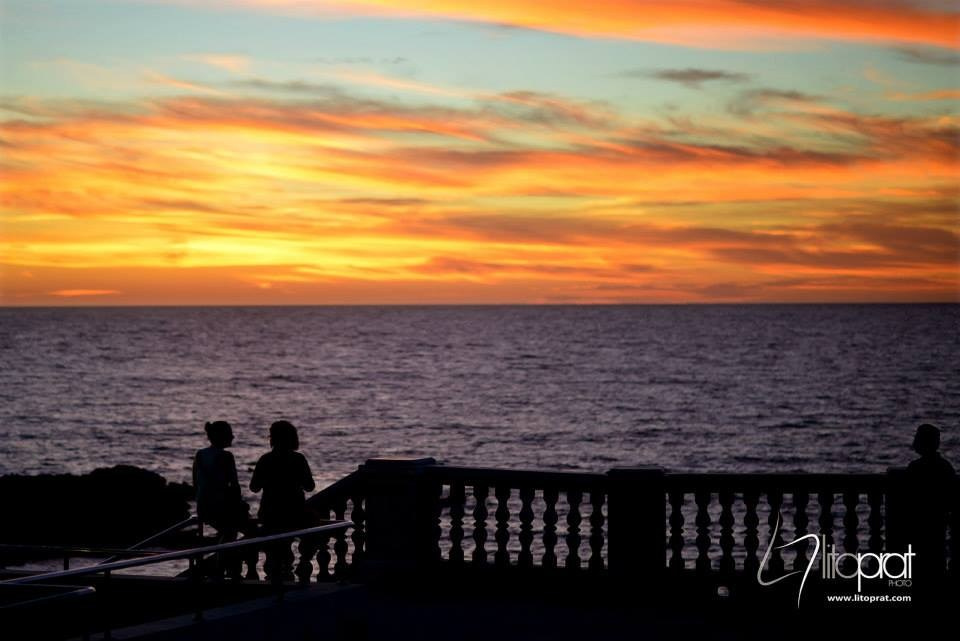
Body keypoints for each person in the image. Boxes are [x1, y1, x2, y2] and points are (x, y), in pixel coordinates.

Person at [250, 420, 316, 582]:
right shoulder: (298, 459)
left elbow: (254, 487)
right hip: (294, 512)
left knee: (275, 552)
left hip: (270, 513)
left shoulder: (265, 459)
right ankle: (294, 570)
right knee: (310, 534)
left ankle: (276, 580)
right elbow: (309, 486)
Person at [192, 421, 257, 580]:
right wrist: (241, 504)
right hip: (220, 506)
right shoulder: (226, 456)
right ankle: (225, 567)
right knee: (247, 532)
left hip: (204, 506)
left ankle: (224, 567)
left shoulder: (200, 454)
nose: (233, 436)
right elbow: (233, 485)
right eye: (230, 433)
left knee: (228, 532)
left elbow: (196, 482)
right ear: (223, 437)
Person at [904, 423, 956, 597]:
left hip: (919, 529)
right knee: (936, 567)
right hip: (936, 527)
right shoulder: (945, 467)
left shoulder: (915, 468)